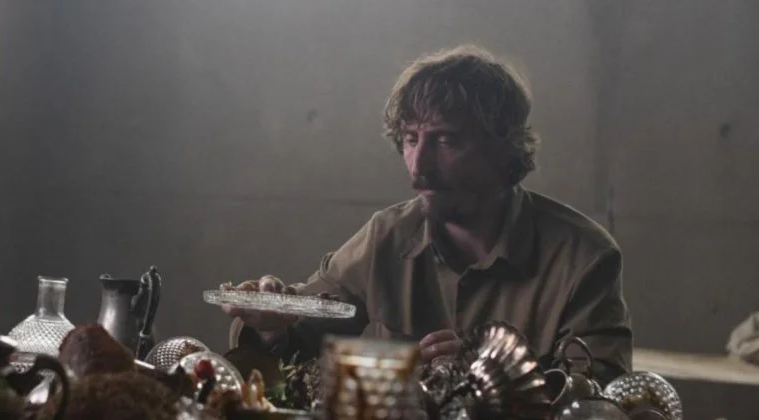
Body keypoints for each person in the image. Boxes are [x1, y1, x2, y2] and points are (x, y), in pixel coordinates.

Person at [223, 45, 632, 385]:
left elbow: (602, 392)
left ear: (503, 148)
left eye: (446, 140)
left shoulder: (582, 256)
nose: (419, 165)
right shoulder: (386, 236)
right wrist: (273, 324)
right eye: (411, 139)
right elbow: (303, 331)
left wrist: (501, 375)